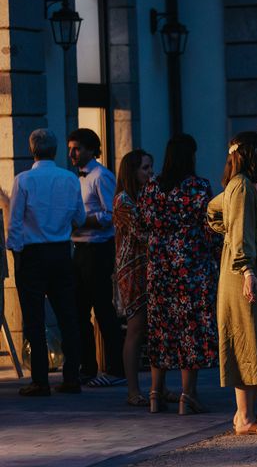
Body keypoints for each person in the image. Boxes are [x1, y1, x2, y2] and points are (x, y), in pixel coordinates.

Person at [138, 134, 218, 415]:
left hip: (159, 267)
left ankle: (155, 394)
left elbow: (143, 222)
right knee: (189, 330)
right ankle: (188, 395)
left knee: (160, 329)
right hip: (191, 268)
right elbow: (210, 229)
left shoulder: (151, 187)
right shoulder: (198, 187)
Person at [207, 131, 257, 435]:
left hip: (243, 268)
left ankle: (246, 414)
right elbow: (238, 231)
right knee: (246, 338)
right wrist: (247, 270)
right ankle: (245, 416)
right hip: (243, 272)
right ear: (254, 153)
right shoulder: (241, 187)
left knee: (253, 337)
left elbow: (213, 212)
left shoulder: (238, 185)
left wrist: (227, 233)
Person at [7, 129, 86, 396]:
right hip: (61, 252)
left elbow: (15, 221)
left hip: (32, 253)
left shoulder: (24, 180)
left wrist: (16, 252)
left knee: (34, 318)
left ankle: (40, 379)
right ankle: (72, 375)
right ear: (56, 151)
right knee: (68, 315)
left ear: (32, 150)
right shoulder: (69, 179)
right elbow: (80, 217)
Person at [68, 128, 125, 387]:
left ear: (91, 149)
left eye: (76, 148)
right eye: (70, 148)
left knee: (103, 309)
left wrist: (83, 220)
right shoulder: (77, 179)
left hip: (98, 248)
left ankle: (115, 368)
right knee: (79, 311)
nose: (71, 153)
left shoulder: (101, 176)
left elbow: (113, 214)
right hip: (79, 249)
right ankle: (87, 366)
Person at [113, 150, 154, 406]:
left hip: (149, 266)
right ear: (133, 171)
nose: (150, 173)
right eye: (145, 168)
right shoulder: (124, 200)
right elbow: (141, 232)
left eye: (151, 168)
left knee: (151, 330)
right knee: (136, 329)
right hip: (132, 269)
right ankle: (133, 390)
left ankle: (154, 388)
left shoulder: (145, 196)